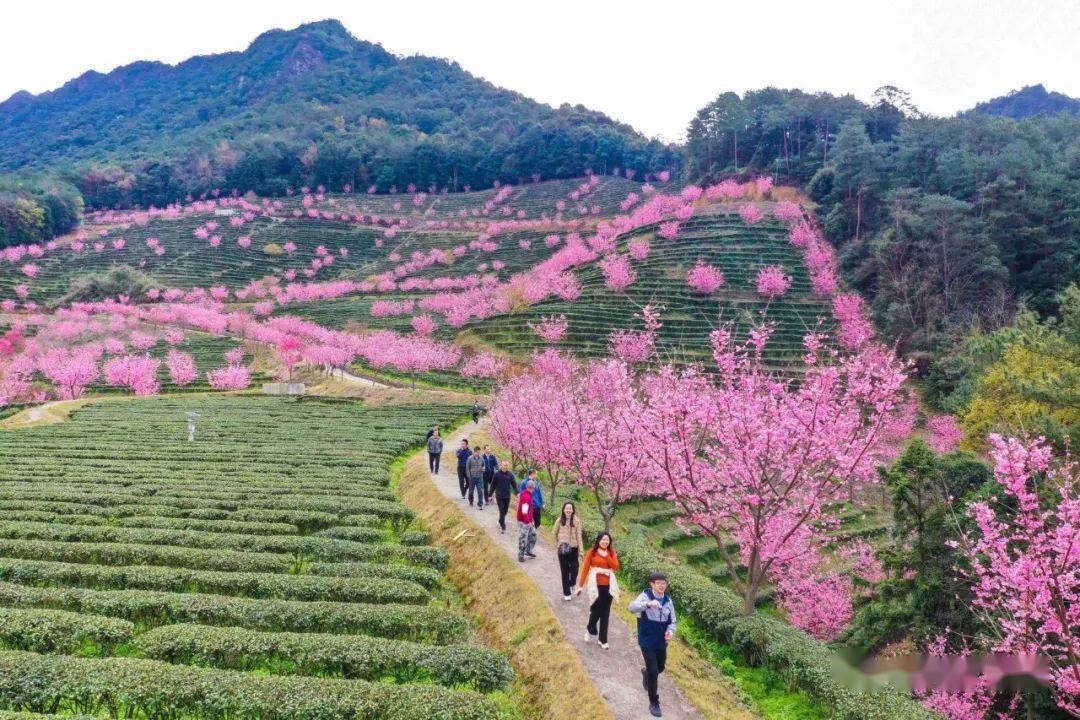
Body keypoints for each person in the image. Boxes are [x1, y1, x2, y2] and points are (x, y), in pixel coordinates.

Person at [629, 572, 677, 718]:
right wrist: (647, 605)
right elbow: (631, 607)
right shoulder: (646, 596)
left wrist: (670, 632)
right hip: (647, 640)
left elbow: (673, 621)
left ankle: (646, 673)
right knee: (654, 671)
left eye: (664, 583)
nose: (662, 586)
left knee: (660, 667)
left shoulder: (668, 601)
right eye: (658, 583)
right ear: (652, 584)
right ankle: (654, 702)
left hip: (661, 642)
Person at [576, 531, 620, 649]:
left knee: (605, 613)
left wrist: (607, 557)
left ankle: (603, 639)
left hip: (609, 585)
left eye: (607, 540)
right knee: (596, 609)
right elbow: (585, 569)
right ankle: (590, 629)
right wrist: (580, 586)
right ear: (598, 540)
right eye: (603, 539)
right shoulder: (592, 552)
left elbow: (615, 566)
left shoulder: (611, 553)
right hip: (595, 584)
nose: (605, 542)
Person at [552, 501, 583, 600]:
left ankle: (572, 582)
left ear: (573, 510)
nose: (568, 510)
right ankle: (567, 593)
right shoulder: (559, 520)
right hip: (563, 549)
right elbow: (554, 533)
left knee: (575, 568)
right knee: (564, 571)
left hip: (574, 549)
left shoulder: (577, 521)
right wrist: (557, 544)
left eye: (570, 508)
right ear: (564, 510)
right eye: (567, 508)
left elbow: (579, 536)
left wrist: (581, 551)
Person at [489, 462, 518, 533]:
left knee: (505, 511)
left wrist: (517, 492)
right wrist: (490, 495)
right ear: (501, 466)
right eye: (504, 465)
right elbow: (492, 485)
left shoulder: (510, 474)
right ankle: (503, 526)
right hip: (499, 496)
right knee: (501, 511)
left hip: (507, 496)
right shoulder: (497, 474)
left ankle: (500, 520)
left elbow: (514, 484)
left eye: (507, 465)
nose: (505, 467)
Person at [516, 479, 538, 562]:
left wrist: (531, 520)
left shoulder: (528, 494)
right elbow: (524, 511)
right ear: (532, 488)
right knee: (523, 537)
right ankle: (521, 554)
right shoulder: (526, 496)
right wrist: (528, 521)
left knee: (533, 534)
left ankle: (528, 550)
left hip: (529, 519)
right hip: (524, 521)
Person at [465, 445, 487, 509]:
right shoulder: (470, 458)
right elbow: (467, 468)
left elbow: (483, 465)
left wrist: (483, 469)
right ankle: (471, 501)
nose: (479, 453)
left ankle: (480, 504)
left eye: (479, 452)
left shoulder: (481, 458)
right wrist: (469, 476)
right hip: (472, 477)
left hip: (480, 477)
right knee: (471, 491)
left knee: (480, 491)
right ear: (474, 452)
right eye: (477, 452)